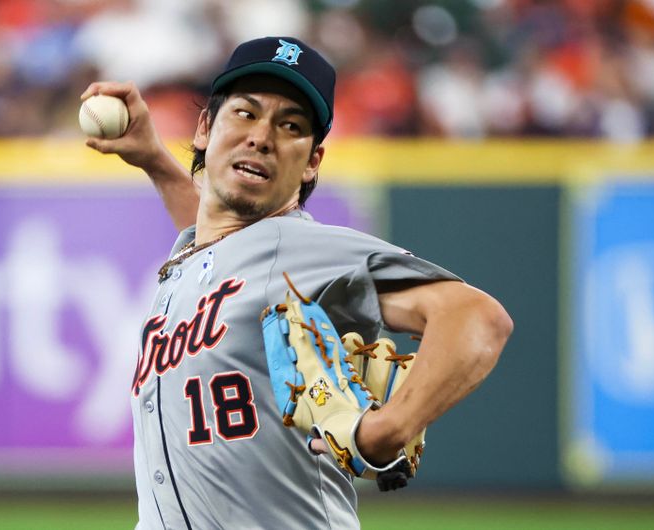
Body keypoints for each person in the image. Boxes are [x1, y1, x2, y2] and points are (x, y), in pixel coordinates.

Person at [82, 36, 513, 529]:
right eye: (245, 113)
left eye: (290, 126)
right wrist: (155, 159)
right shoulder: (198, 256)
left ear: (312, 161)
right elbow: (225, 250)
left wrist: (388, 428)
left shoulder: (308, 251)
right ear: (204, 127)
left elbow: (478, 317)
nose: (261, 136)